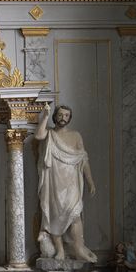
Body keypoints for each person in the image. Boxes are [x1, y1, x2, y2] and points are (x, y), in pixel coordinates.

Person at [35, 104, 97, 263]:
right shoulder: (50, 134)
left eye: (67, 115)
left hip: (71, 182)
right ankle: (60, 250)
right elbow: (39, 136)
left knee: (75, 214)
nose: (63, 118)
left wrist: (90, 181)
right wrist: (45, 116)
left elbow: (83, 159)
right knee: (55, 215)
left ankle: (79, 249)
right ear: (55, 116)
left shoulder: (76, 136)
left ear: (70, 118)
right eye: (60, 115)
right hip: (54, 181)